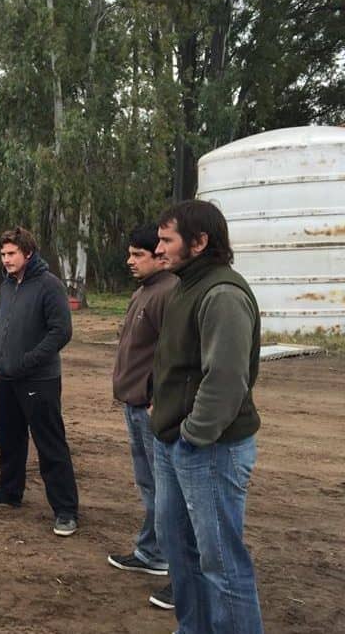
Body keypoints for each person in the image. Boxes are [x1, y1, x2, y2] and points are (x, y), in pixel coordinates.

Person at [151, 200, 263, 634]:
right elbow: (180, 363)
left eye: (167, 240)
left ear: (200, 242)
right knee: (181, 550)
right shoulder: (186, 285)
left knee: (221, 563)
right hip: (177, 442)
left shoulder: (222, 294)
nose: (158, 249)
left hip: (210, 449)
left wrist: (193, 436)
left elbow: (226, 379)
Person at [0, 226, 79, 537]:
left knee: (50, 444)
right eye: (3, 254)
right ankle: (9, 492)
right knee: (9, 438)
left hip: (39, 380)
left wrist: (29, 360)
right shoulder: (7, 286)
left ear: (28, 253)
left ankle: (65, 510)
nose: (6, 260)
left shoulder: (49, 286)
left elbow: (61, 332)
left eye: (12, 254)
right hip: (4, 377)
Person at [106, 224, 178, 611]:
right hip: (134, 405)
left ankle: (175, 569)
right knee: (149, 486)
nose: (130, 261)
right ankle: (150, 551)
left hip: (150, 409)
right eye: (130, 253)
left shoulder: (168, 293)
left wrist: (156, 398)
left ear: (159, 256)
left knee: (167, 494)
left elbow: (175, 354)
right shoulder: (145, 291)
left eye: (138, 254)